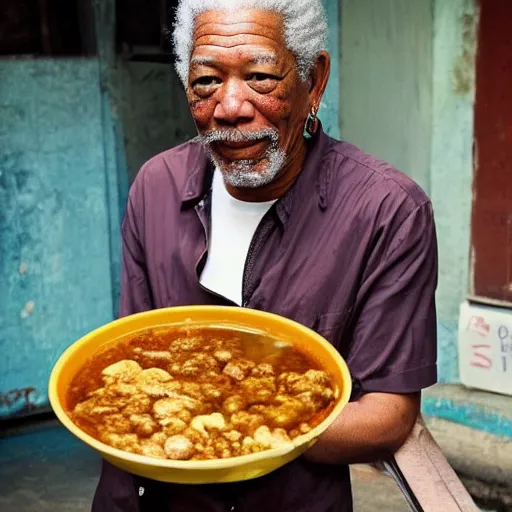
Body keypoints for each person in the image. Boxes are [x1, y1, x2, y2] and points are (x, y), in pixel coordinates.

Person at [92, 1, 438, 510]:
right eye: (206, 79)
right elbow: (129, 360)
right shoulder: (155, 187)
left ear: (313, 81)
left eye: (259, 76)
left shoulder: (386, 211)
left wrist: (231, 427)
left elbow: (386, 416)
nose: (230, 106)